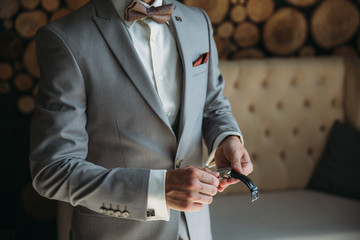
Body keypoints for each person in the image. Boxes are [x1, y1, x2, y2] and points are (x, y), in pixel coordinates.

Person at [29, 0, 253, 239]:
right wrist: (158, 189)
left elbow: (212, 102)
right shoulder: (66, 37)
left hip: (195, 230)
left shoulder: (198, 21)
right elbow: (53, 170)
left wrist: (226, 137)